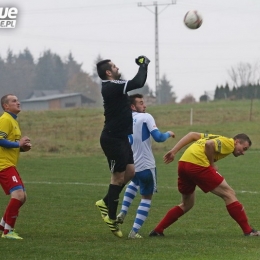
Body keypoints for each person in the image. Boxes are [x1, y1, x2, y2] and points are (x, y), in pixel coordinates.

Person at [149, 132, 260, 237]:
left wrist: (174, 151)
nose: (243, 152)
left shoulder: (213, 136)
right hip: (197, 164)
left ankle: (158, 230)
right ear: (236, 142)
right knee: (229, 193)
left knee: (187, 203)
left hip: (183, 164)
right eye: (243, 148)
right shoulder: (229, 143)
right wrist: (211, 164)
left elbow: (192, 135)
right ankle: (248, 231)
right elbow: (209, 144)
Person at [95, 56, 150, 238]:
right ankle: (111, 218)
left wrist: (144, 66)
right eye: (114, 66)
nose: (117, 68)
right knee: (117, 178)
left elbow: (136, 83)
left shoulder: (115, 85)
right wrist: (143, 64)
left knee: (131, 172)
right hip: (112, 139)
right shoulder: (111, 85)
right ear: (108, 72)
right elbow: (139, 81)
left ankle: (105, 202)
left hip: (121, 138)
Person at [116, 93, 175, 239]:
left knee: (134, 183)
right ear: (133, 106)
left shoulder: (126, 119)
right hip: (147, 165)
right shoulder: (146, 117)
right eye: (141, 103)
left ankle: (123, 211)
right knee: (146, 197)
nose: (145, 105)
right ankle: (134, 232)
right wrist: (168, 133)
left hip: (132, 164)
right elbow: (158, 137)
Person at [0, 94, 32, 240]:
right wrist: (18, 144)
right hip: (3, 164)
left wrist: (22, 148)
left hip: (9, 164)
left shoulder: (13, 121)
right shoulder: (5, 119)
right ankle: (8, 232)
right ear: (6, 106)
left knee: (22, 196)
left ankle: (2, 226)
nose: (18, 102)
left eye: (18, 100)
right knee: (18, 195)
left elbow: (11, 145)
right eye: (14, 101)